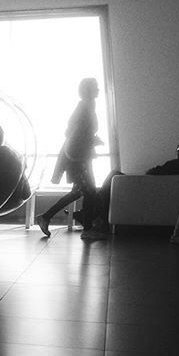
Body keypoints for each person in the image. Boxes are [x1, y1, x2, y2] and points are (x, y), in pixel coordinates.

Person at [35, 77, 105, 240]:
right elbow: (78, 132)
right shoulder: (85, 107)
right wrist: (92, 140)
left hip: (79, 154)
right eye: (96, 87)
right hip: (78, 156)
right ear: (89, 90)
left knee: (79, 191)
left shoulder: (86, 106)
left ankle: (46, 217)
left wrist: (91, 140)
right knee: (89, 191)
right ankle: (87, 228)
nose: (99, 89)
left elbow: (75, 131)